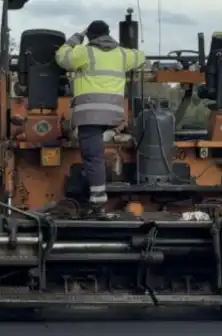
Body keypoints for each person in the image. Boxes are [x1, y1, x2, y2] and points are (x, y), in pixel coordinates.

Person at [55, 20, 145, 218]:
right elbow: (140, 57)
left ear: (90, 36)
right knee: (100, 142)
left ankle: (98, 204)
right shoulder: (122, 54)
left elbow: (61, 57)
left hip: (90, 115)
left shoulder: (85, 53)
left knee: (93, 156)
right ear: (108, 33)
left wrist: (78, 36)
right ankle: (111, 134)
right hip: (114, 115)